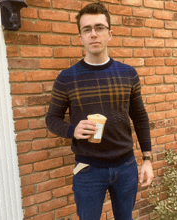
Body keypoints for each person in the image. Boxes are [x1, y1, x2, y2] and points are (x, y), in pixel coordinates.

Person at [46, 2, 154, 220]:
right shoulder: (66, 78)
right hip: (88, 170)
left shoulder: (128, 73)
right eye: (87, 29)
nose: (93, 34)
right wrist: (72, 130)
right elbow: (52, 119)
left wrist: (147, 159)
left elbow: (140, 117)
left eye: (99, 28)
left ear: (109, 34)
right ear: (81, 37)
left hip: (126, 167)